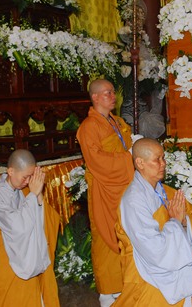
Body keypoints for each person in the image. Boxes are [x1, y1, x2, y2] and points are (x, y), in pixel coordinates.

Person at [115, 138, 192, 306]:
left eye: (163, 158)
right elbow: (154, 249)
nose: (163, 164)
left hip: (174, 265)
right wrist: (175, 221)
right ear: (140, 163)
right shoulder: (134, 201)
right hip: (149, 273)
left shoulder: (164, 191)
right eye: (157, 159)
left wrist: (184, 221)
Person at [0, 149, 60, 307]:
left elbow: (47, 220)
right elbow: (18, 227)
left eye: (31, 177)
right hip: (6, 262)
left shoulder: (26, 191)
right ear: (11, 171)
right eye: (25, 177)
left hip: (28, 257)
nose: (28, 181)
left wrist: (38, 195)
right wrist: (33, 196)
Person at [76, 79, 135, 306]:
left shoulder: (116, 121)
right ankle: (107, 292)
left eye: (112, 92)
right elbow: (96, 160)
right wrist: (128, 157)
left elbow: (125, 145)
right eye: (108, 93)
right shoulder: (89, 127)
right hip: (104, 187)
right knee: (104, 235)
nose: (113, 96)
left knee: (125, 233)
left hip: (124, 185)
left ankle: (125, 283)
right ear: (95, 97)